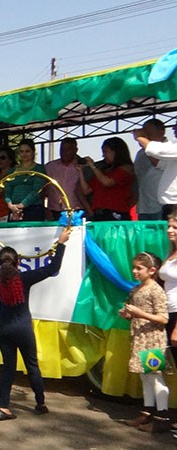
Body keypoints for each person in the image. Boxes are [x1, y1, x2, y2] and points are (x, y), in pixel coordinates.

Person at [0, 228, 71, 421]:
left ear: (1, 263)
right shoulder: (24, 278)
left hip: (3, 329)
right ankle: (40, 403)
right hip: (22, 329)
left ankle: (4, 407)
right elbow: (52, 268)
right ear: (18, 262)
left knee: (8, 367)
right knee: (32, 366)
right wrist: (61, 243)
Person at [118, 252, 170, 433]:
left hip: (152, 339)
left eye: (139, 268)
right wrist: (128, 315)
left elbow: (163, 318)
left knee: (154, 376)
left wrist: (140, 314)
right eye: (134, 267)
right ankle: (147, 412)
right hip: (139, 338)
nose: (134, 271)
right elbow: (136, 314)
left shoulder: (156, 290)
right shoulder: (135, 290)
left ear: (152, 270)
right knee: (145, 376)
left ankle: (162, 417)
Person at [78, 137, 136, 221]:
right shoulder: (103, 171)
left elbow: (107, 182)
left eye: (106, 152)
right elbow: (86, 190)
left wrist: (93, 166)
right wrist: (80, 171)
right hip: (99, 213)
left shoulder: (126, 168)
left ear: (116, 152)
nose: (103, 155)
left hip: (116, 212)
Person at [136, 123, 177, 218]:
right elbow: (160, 164)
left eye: (149, 133)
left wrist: (141, 137)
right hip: (162, 204)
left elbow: (157, 151)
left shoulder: (170, 148)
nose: (173, 128)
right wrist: (145, 145)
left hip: (171, 203)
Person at [44, 138, 90, 220]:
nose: (64, 152)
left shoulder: (82, 167)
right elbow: (43, 190)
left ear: (75, 150)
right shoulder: (49, 167)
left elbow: (86, 191)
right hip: (54, 211)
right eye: (62, 149)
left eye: (68, 149)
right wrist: (46, 210)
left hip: (76, 211)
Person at [4, 139, 47, 222]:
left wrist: (22, 205)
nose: (24, 154)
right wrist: (9, 204)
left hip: (33, 210)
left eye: (27, 151)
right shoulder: (12, 171)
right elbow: (7, 190)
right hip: (13, 210)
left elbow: (37, 190)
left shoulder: (39, 169)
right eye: (21, 151)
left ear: (33, 152)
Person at [134, 119, 167, 220]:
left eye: (149, 134)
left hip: (161, 205)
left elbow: (158, 163)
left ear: (161, 131)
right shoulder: (140, 153)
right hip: (144, 205)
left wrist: (144, 143)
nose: (147, 137)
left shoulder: (168, 147)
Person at [158, 213, 177, 363]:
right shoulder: (170, 253)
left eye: (175, 227)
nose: (169, 230)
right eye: (168, 226)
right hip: (168, 311)